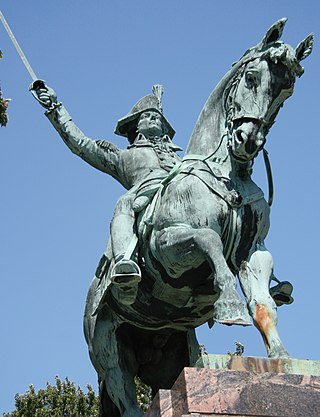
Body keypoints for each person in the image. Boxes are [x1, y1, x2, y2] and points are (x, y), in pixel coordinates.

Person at [31, 82, 182, 300]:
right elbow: (81, 144)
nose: (154, 118)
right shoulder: (121, 157)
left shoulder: (180, 157)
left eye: (157, 116)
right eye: (147, 116)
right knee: (124, 202)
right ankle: (124, 262)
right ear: (136, 126)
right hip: (143, 195)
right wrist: (56, 108)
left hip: (180, 193)